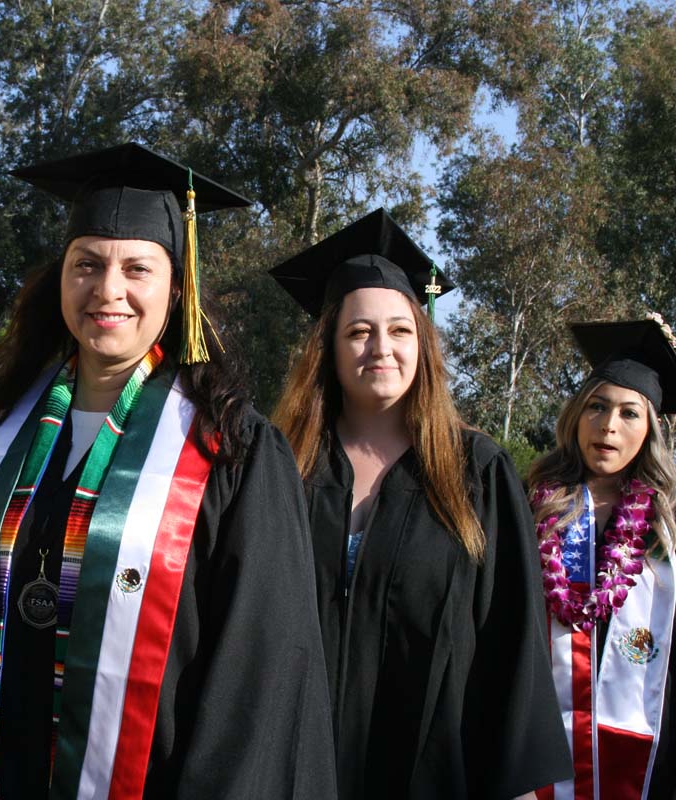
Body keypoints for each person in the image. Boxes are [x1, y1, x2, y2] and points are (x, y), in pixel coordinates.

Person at [0, 143, 337, 799]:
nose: (108, 289)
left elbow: (260, 681)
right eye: (87, 265)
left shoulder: (232, 454)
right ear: (61, 281)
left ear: (177, 290)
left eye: (137, 268)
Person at [269, 209, 572, 799]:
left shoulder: (476, 473)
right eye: (358, 331)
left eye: (400, 330)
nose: (381, 347)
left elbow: (512, 642)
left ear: (422, 342)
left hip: (430, 775)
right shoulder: (280, 467)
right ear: (327, 346)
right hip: (290, 767)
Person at [526, 317, 676, 799]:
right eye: (597, 406)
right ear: (576, 414)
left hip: (648, 752)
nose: (608, 426)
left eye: (629, 413)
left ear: (650, 428)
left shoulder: (666, 528)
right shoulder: (532, 503)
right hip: (538, 747)